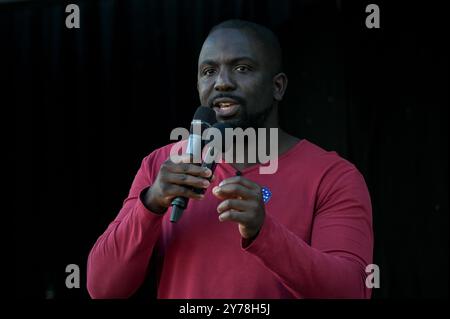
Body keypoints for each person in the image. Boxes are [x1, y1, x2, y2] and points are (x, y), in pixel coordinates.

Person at [87, 19, 373, 299]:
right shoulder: (162, 166)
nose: (222, 83)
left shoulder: (332, 175)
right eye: (208, 71)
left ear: (278, 86)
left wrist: (264, 232)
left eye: (242, 68)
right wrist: (150, 203)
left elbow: (349, 290)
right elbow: (103, 287)